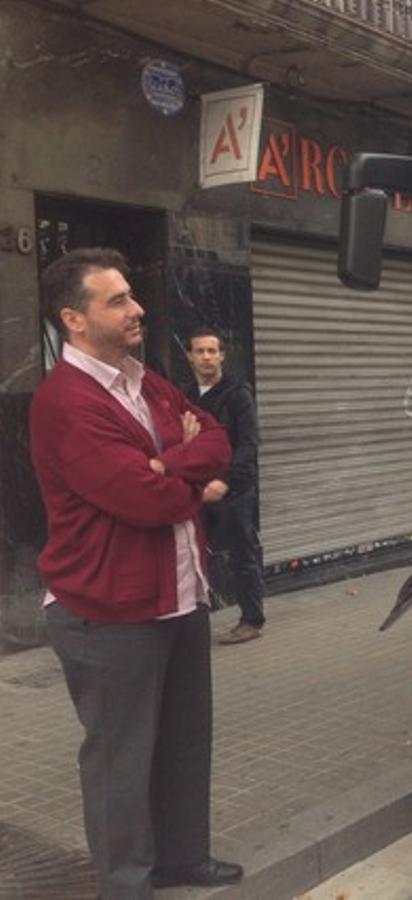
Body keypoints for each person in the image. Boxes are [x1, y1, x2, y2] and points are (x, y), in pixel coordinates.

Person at [29, 248, 242, 898]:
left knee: (183, 743)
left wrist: (169, 461)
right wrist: (192, 483)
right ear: (74, 319)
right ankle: (125, 883)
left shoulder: (144, 380)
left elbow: (216, 437)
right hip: (108, 611)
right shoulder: (64, 402)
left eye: (131, 294)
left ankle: (182, 857)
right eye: (116, 300)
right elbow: (140, 500)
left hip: (180, 596)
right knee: (121, 760)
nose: (137, 308)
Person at [183, 326, 266, 644]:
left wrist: (224, 480)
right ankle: (193, 621)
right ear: (189, 356)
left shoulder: (237, 393)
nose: (206, 357)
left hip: (234, 491)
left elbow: (248, 444)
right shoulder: (186, 395)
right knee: (192, 555)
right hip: (196, 489)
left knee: (242, 554)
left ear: (221, 356)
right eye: (199, 351)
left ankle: (251, 619)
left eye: (212, 351)